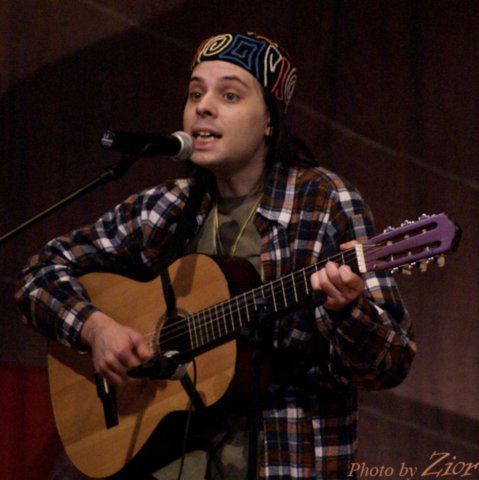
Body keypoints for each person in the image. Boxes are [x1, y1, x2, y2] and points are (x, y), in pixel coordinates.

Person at [15, 32, 416, 479]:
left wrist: (348, 310)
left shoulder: (324, 202)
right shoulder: (164, 208)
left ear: (270, 121)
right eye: (195, 93)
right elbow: (38, 274)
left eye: (229, 95)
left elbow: (390, 363)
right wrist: (96, 329)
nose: (203, 107)